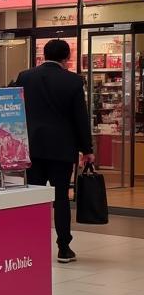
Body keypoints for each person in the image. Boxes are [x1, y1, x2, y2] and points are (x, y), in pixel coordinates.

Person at [15, 38, 94, 263]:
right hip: (62, 149)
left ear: (43, 55)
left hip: (32, 146)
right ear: (67, 58)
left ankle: (33, 244)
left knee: (34, 197)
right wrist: (87, 149)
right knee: (61, 197)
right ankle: (63, 248)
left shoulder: (25, 77)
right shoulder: (73, 81)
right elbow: (80, 118)